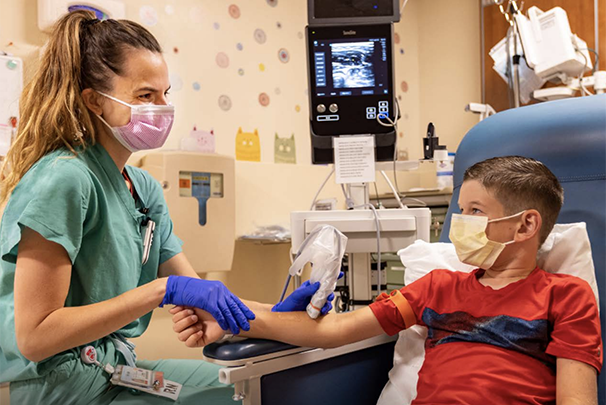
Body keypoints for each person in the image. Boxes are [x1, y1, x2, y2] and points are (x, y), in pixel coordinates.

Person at [0, 10, 333, 405]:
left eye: (165, 94)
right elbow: (35, 337)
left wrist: (273, 313)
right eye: (145, 95)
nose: (161, 108)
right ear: (94, 101)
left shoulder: (142, 188)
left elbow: (201, 294)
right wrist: (159, 291)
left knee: (244, 391)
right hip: (58, 387)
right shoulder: (64, 178)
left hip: (110, 368)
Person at [174, 156, 602, 405]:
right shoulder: (439, 286)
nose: (460, 223)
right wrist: (232, 313)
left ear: (526, 225)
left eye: (475, 211)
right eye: (460, 209)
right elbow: (335, 329)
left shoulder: (566, 295)